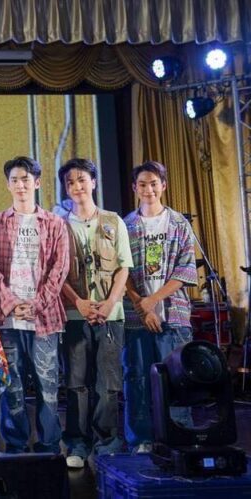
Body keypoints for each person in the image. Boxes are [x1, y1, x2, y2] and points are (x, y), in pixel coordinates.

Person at [0, 157, 69, 455]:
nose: (20, 185)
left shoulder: (55, 223)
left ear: (37, 182)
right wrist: (11, 304)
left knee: (48, 385)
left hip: (44, 319)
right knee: (12, 386)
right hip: (8, 319)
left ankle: (49, 445)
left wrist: (36, 304)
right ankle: (16, 444)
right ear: (7, 185)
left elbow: (60, 268)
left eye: (25, 179)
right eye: (14, 180)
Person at [59, 158, 133, 469]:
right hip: (75, 316)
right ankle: (77, 443)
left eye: (81, 180)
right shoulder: (59, 225)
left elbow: (123, 267)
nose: (77, 186)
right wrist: (79, 302)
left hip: (110, 316)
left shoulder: (114, 221)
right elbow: (56, 273)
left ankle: (107, 443)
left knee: (108, 385)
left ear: (93, 182)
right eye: (70, 182)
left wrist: (110, 303)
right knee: (77, 384)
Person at [123, 161, 197, 454]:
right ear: (134, 188)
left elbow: (186, 270)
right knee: (137, 379)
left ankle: (180, 435)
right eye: (142, 184)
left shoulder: (179, 224)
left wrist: (153, 301)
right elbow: (121, 272)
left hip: (173, 316)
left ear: (163, 185)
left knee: (177, 379)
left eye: (154, 183)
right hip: (136, 318)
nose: (149, 189)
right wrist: (143, 307)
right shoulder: (126, 225)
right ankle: (140, 439)